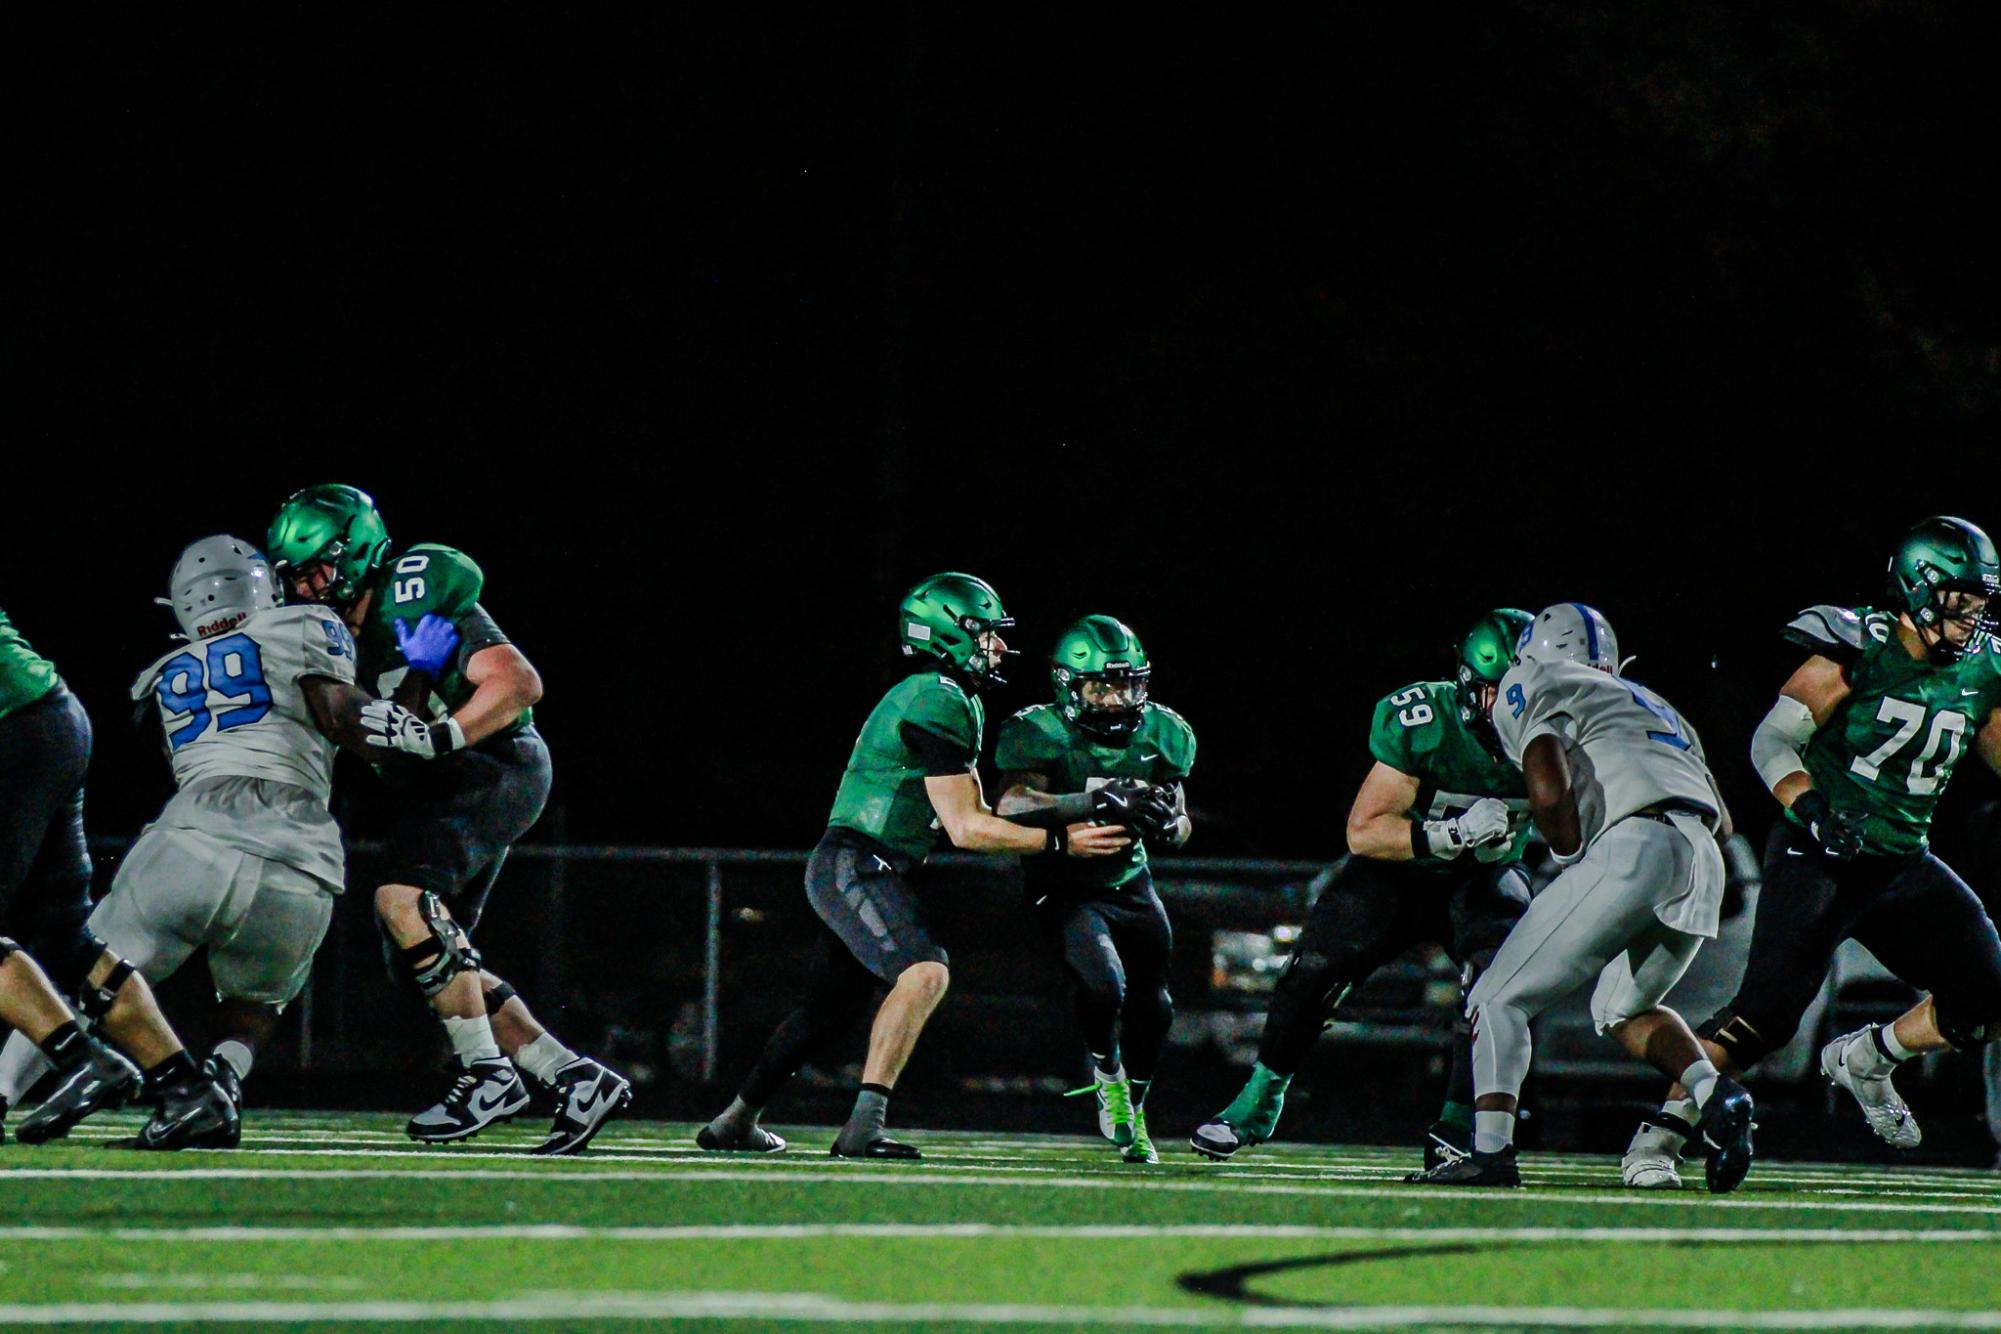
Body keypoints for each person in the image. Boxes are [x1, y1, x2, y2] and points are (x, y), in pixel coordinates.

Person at [698, 574, 1130, 1159]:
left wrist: (1083, 803)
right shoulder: (938, 698)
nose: (999, 647)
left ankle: (734, 1122)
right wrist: (1064, 843)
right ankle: (863, 1125)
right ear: (949, 633)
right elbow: (968, 828)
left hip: (865, 864)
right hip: (856, 861)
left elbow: (978, 810)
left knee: (826, 1012)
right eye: (987, 634)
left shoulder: (950, 697)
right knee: (925, 972)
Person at [1624, 517, 2001, 1187]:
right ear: (1917, 589)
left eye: (1978, 604)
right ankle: (1657, 1139)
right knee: (1763, 1016)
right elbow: (1771, 742)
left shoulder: (1983, 666)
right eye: (1958, 602)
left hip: (1900, 861)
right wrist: (1811, 809)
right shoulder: (1857, 644)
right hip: (1820, 851)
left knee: (1988, 997)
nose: (1970, 618)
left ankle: (1869, 1057)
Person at [266, 484, 627, 1154]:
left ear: (361, 552)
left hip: (494, 762)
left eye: (321, 566)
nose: (310, 585)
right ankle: (571, 1076)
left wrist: (442, 735)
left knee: (402, 900)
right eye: (296, 574)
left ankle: (484, 1072)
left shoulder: (414, 597)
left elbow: (518, 683)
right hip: (436, 785)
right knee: (428, 961)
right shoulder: (320, 640)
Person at [0, 537, 382, 1139]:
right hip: (302, 856)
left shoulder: (164, 673)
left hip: (191, 843)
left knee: (85, 966)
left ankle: (12, 1084)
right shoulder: (309, 624)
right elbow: (341, 712)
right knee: (257, 997)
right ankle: (212, 1082)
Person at [1409, 603, 1755, 1192]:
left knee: (1496, 998)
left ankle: (1490, 1152)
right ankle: (1715, 1094)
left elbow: (1546, 778)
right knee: (1621, 1009)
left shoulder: (1534, 677)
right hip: (1703, 857)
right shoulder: (1654, 703)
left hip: (1633, 845)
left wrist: (1570, 854)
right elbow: (1722, 819)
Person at [1191, 610, 1533, 1171]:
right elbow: (1366, 831)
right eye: (1500, 691)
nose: (1516, 707)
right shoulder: (1427, 716)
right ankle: (1259, 1098)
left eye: (1528, 690)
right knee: (1313, 967)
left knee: (1505, 983)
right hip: (1400, 870)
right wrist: (1449, 833)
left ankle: (1457, 1127)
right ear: (1470, 685)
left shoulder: (1567, 731)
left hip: (1485, 877)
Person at [0, 603, 236, 1149]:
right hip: (51, 719)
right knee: (66, 941)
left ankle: (82, 1061)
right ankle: (188, 1090)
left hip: (15, 727)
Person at [995, 614, 1195, 1164]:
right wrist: (1095, 803)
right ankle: (1107, 1072)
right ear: (1068, 686)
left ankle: (1137, 1106)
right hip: (1064, 886)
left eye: (1128, 684)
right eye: (1102, 686)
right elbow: (1011, 805)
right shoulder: (1039, 731)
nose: (1116, 698)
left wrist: (1169, 826)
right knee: (1105, 986)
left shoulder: (1164, 732)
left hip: (1130, 880)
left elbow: (1180, 822)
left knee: (1156, 1006)